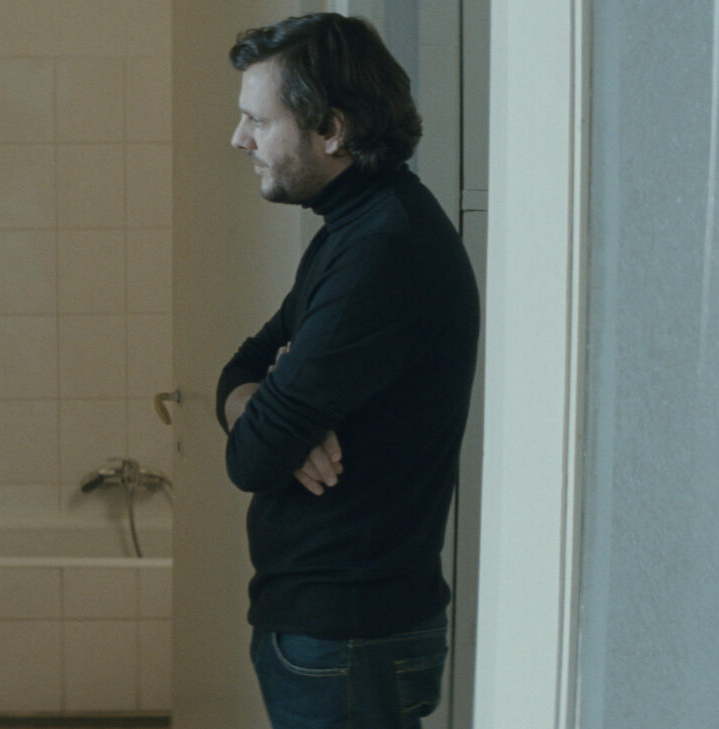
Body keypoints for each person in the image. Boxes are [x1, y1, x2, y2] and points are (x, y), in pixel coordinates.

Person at [215, 13, 480, 729]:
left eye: (257, 120)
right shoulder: (354, 228)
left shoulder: (382, 248)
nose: (239, 139)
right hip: (342, 633)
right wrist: (267, 400)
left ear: (331, 129)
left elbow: (250, 458)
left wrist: (272, 419)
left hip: (348, 637)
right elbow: (241, 368)